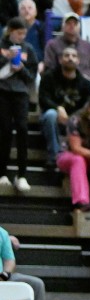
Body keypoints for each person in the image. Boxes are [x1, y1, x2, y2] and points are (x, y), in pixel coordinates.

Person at [0, 18, 36, 194]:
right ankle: (2, 172)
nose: (22, 36)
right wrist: (6, 60)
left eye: (24, 33)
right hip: (3, 92)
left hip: (21, 94)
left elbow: (31, 77)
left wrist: (20, 68)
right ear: (10, 31)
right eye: (18, 32)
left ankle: (22, 174)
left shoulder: (29, 49)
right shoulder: (1, 45)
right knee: (5, 130)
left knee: (22, 129)